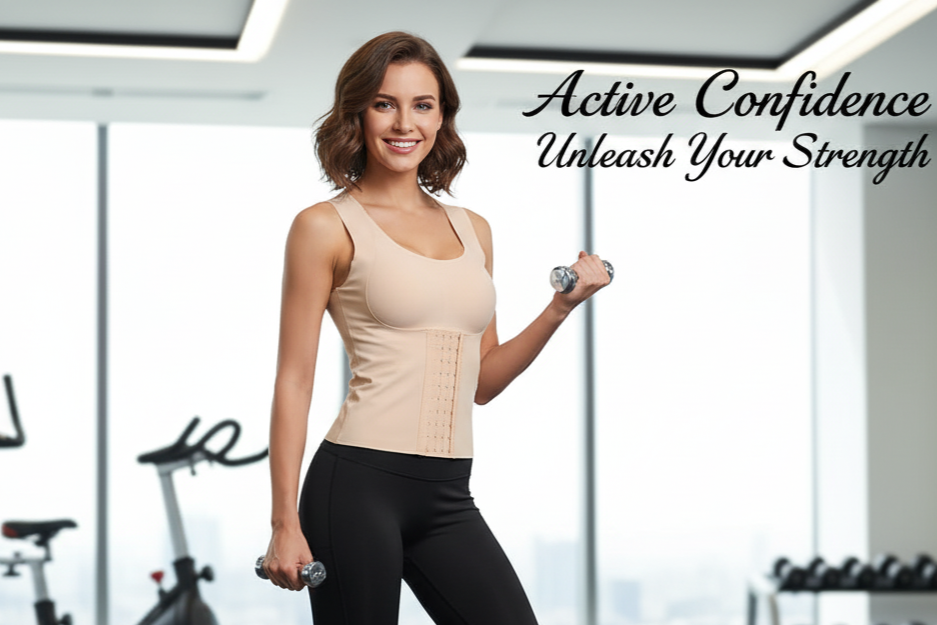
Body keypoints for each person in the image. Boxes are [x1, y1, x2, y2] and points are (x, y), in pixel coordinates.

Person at [261, 31, 609, 624]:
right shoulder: (323, 226)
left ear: (442, 115)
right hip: (356, 484)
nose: (405, 123)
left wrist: (559, 308)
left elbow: (483, 381)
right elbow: (294, 381)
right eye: (384, 104)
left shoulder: (474, 229)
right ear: (358, 113)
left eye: (422, 105)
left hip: (448, 493)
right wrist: (283, 522)